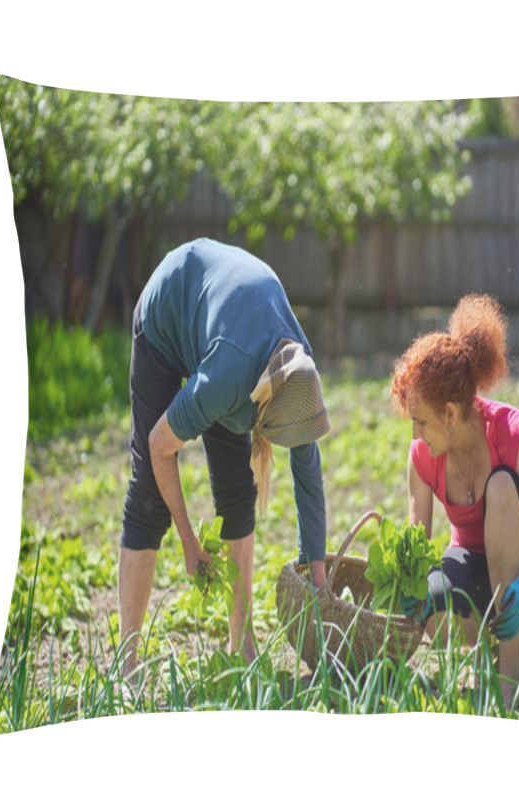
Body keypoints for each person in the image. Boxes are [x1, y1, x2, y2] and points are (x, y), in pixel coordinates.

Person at [119, 237, 330, 680]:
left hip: (223, 331)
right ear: (259, 410)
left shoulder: (298, 376)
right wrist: (189, 542)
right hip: (167, 316)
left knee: (237, 494)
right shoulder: (226, 380)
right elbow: (161, 446)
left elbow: (308, 478)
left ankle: (243, 644)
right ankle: (128, 664)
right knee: (148, 498)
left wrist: (319, 579)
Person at [389, 293, 519, 708]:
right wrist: (410, 588)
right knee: (435, 607)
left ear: (450, 414)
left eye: (421, 421)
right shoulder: (421, 458)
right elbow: (418, 546)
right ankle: (489, 639)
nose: (415, 434)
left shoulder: (511, 434)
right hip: (474, 565)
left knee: (501, 488)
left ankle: (510, 677)